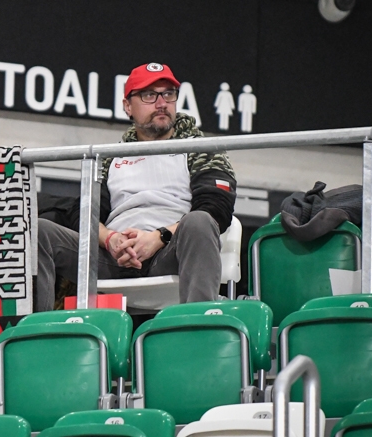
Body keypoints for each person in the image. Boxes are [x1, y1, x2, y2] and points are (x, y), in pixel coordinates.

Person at [35, 62, 237, 311]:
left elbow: (217, 209)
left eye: (168, 94)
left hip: (169, 254)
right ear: (128, 106)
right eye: (149, 95)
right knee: (40, 232)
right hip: (114, 257)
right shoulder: (110, 157)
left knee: (200, 221)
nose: (161, 103)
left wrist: (158, 237)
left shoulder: (200, 148)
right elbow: (85, 213)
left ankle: (199, 326)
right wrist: (111, 240)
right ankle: (34, 329)